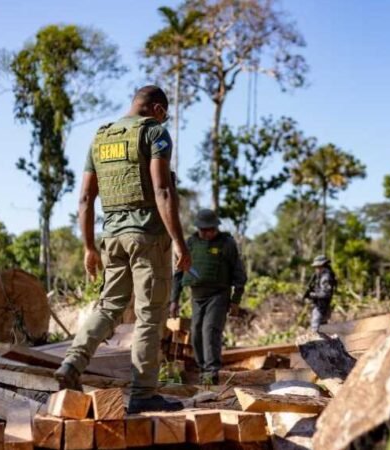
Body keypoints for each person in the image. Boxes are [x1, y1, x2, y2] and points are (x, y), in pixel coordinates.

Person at [53, 85, 191, 413]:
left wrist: (89, 247)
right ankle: (143, 393)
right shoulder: (155, 133)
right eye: (165, 113)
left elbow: (86, 198)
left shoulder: (100, 138)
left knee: (108, 306)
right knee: (149, 314)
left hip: (111, 237)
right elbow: (162, 189)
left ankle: (72, 362)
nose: (165, 118)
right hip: (146, 237)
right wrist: (179, 243)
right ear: (156, 109)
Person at [169, 209, 247, 384]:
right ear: (197, 228)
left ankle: (211, 373)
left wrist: (235, 300)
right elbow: (178, 274)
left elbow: (239, 273)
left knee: (210, 330)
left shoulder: (226, 244)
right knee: (196, 332)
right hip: (197, 296)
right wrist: (174, 300)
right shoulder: (190, 244)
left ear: (216, 227)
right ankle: (203, 368)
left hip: (218, 295)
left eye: (210, 229)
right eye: (203, 230)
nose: (207, 233)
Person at [304, 255, 337, 332]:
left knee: (316, 328)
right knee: (323, 328)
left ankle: (318, 343)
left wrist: (313, 295)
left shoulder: (325, 277)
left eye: (317, 267)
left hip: (322, 307)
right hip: (321, 306)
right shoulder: (321, 276)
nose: (316, 269)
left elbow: (326, 294)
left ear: (322, 265)